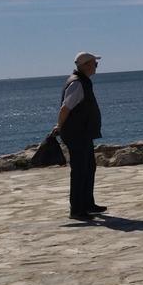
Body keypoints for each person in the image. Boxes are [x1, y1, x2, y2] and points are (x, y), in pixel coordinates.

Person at [51, 52, 107, 220]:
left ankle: (88, 204)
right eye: (94, 64)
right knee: (80, 171)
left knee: (89, 168)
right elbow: (65, 108)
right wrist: (59, 126)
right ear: (85, 66)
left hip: (83, 133)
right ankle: (77, 209)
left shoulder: (81, 82)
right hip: (77, 134)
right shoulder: (77, 84)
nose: (96, 67)